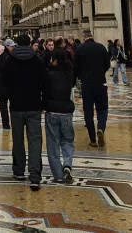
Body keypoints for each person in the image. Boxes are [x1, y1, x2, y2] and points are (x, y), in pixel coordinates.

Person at [2, 34, 47, 190]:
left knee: (18, 140)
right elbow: (44, 82)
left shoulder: (9, 61)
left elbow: (4, 82)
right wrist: (43, 102)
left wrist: (11, 97)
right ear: (29, 44)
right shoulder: (37, 60)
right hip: (34, 105)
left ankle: (19, 171)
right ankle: (35, 177)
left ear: (15, 44)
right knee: (35, 141)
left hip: (16, 106)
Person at [74, 29, 110, 148]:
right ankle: (101, 129)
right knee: (102, 109)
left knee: (88, 111)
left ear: (83, 37)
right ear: (92, 36)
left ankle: (93, 139)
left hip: (86, 84)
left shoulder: (80, 49)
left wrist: (81, 76)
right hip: (100, 83)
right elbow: (107, 64)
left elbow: (76, 67)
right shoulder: (101, 47)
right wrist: (100, 73)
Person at [45, 48, 76, 183]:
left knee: (53, 144)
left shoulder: (50, 75)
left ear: (56, 60)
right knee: (68, 141)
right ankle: (67, 164)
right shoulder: (70, 74)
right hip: (67, 112)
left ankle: (58, 175)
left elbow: (45, 91)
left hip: (52, 111)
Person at [0, 39, 14, 129]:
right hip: (7, 83)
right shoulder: (8, 57)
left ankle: (5, 123)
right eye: (11, 46)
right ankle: (10, 122)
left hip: (1, 82)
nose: (13, 48)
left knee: (3, 104)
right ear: (7, 46)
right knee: (10, 103)